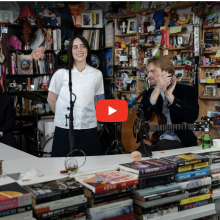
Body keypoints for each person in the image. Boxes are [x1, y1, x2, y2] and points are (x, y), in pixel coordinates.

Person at [47, 35, 104, 157]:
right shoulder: (60, 73)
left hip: (89, 129)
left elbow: (93, 100)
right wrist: (62, 117)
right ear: (70, 51)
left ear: (87, 50)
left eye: (83, 46)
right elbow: (51, 100)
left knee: (91, 166)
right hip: (64, 130)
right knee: (61, 166)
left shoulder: (97, 74)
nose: (79, 50)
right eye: (75, 47)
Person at [140, 56, 199, 151]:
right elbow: (142, 116)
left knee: (163, 145)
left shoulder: (187, 91)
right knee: (139, 150)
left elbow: (192, 116)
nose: (148, 75)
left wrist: (169, 96)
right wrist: (158, 89)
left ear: (165, 72)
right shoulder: (148, 94)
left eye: (152, 71)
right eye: (148, 72)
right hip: (154, 140)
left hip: (181, 141)